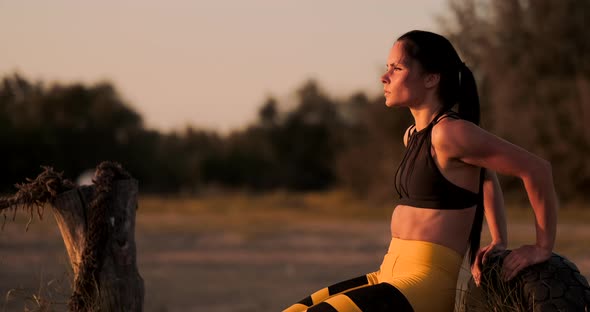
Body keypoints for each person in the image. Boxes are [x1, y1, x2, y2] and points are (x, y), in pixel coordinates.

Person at [283, 30, 558, 312]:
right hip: (388, 274)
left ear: (431, 78)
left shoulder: (450, 132)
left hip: (423, 284)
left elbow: (536, 169)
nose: (384, 76)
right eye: (388, 67)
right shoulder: (413, 135)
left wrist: (542, 247)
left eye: (397, 68)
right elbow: (485, 175)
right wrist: (499, 238)